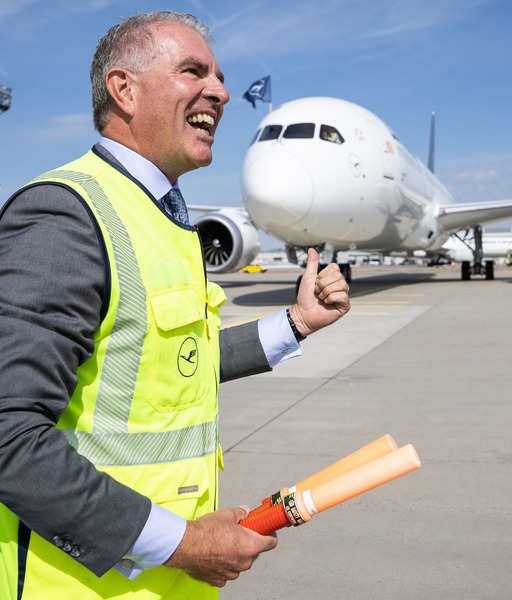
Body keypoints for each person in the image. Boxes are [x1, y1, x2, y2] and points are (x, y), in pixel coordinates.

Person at [0, 11, 350, 599]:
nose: (220, 92)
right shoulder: (67, 215)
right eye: (194, 71)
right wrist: (183, 543)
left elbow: (166, 365)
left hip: (170, 582)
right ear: (124, 89)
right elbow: (8, 434)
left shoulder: (161, 215)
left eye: (220, 77)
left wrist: (295, 324)